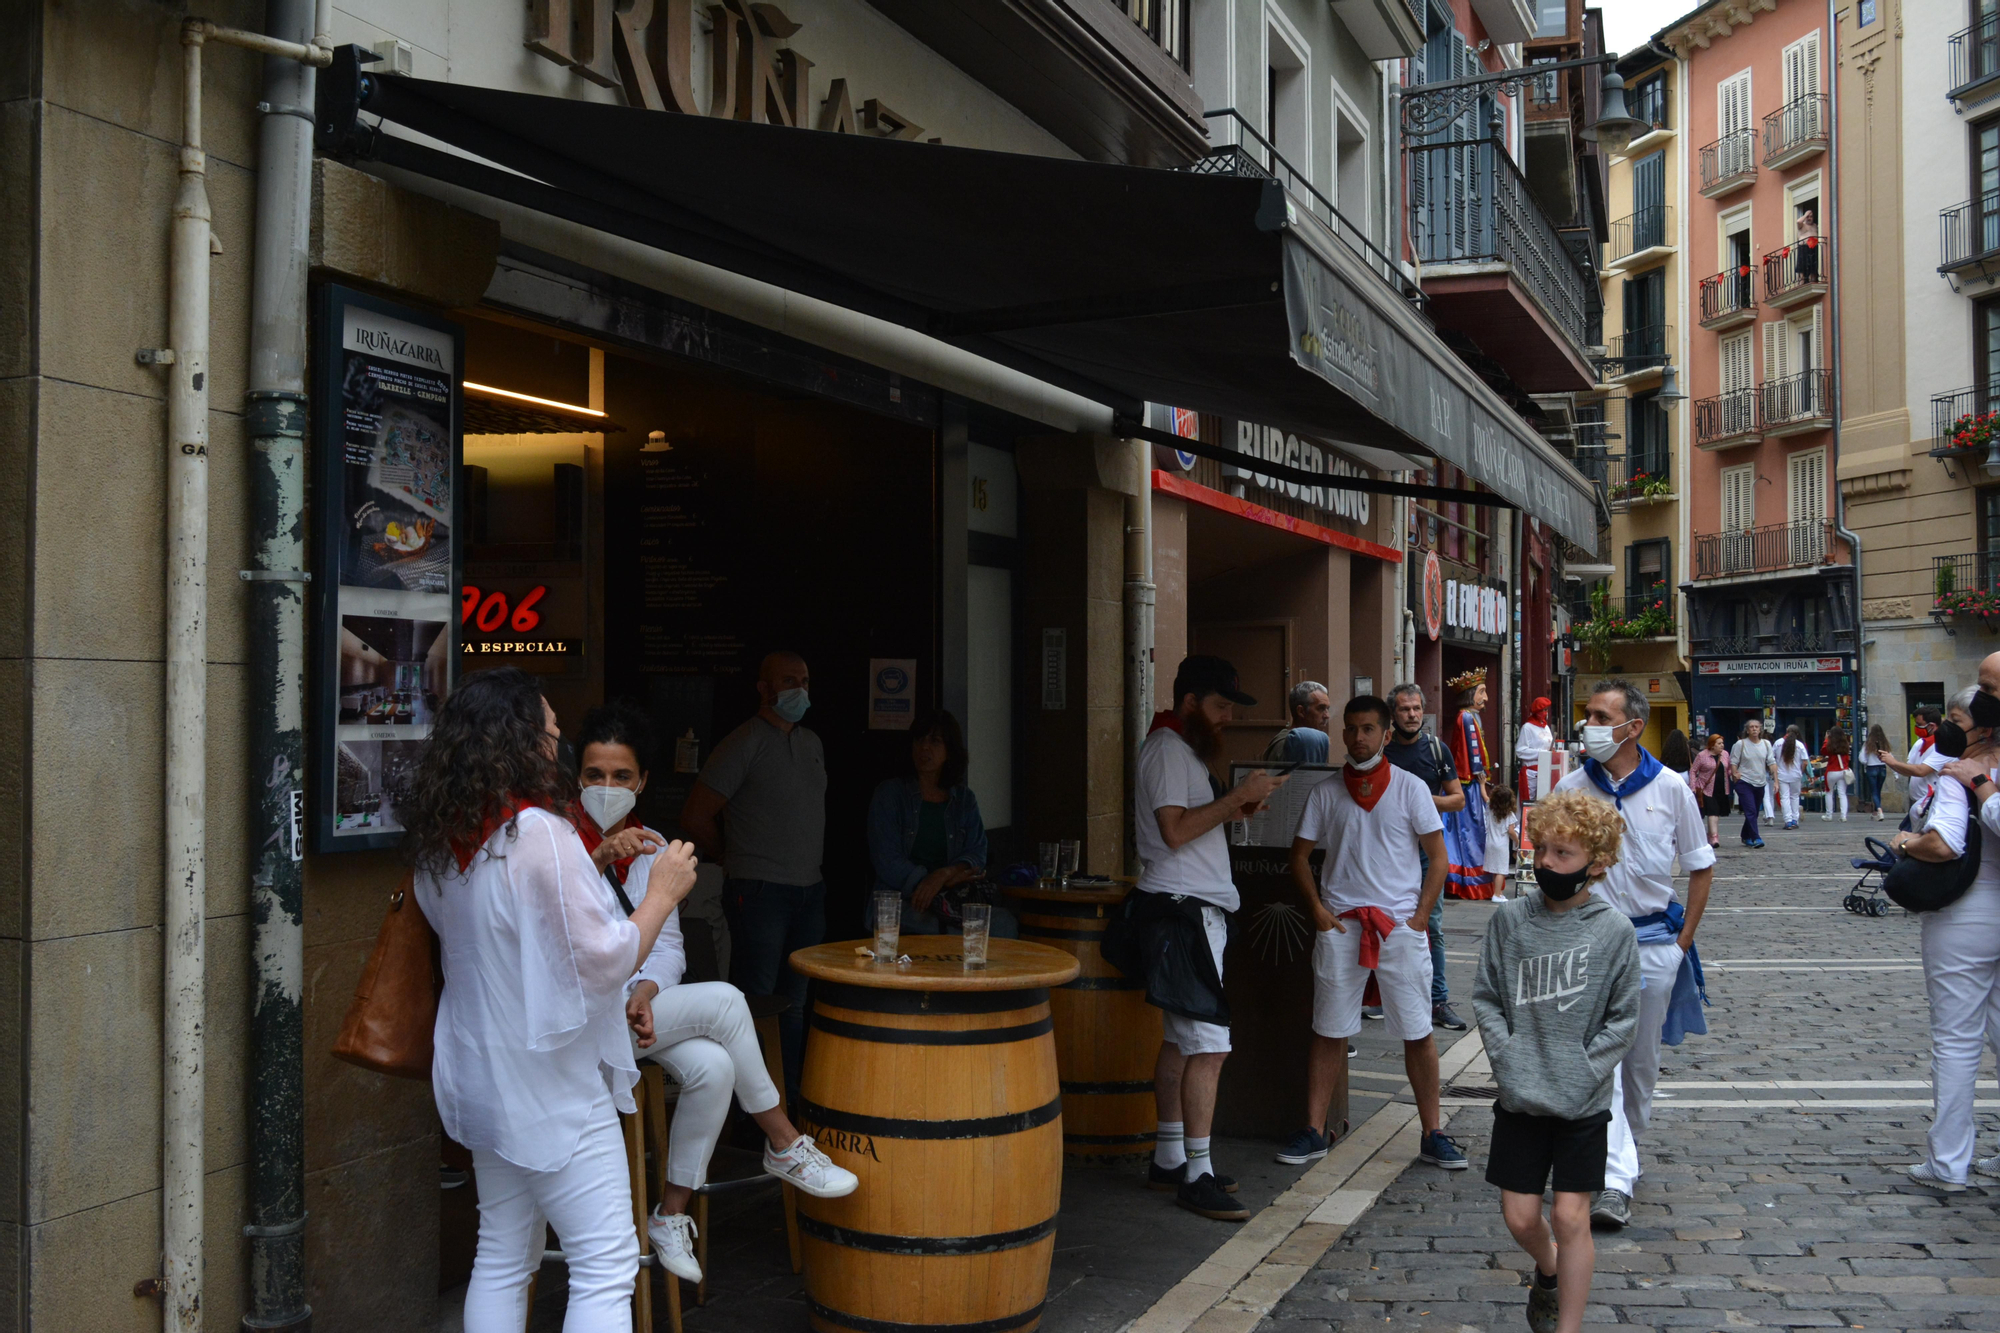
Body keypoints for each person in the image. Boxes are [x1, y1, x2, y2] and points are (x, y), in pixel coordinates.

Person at [401, 668, 692, 1331]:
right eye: (552, 733)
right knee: (607, 1264)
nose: (558, 748)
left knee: (502, 1254)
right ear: (518, 739)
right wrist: (662, 893)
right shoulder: (537, 832)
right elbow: (607, 957)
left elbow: (515, 931)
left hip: (480, 1071)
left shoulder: (442, 843)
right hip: (552, 1083)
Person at [573, 702, 857, 1282]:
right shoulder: (557, 847)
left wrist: (647, 991)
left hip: (634, 1016)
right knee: (727, 1000)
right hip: (579, 1026)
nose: (607, 788)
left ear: (643, 781)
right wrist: (592, 860)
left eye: (621, 776)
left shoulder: (653, 851)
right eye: (594, 775)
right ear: (575, 778)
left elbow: (668, 948)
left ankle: (669, 1213)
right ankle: (783, 1140)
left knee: (713, 1068)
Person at [1472, 790, 1641, 1333]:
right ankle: (1547, 1268)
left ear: (1597, 864)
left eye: (1562, 854)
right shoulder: (1511, 923)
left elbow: (1623, 1020)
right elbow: (1488, 997)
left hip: (1582, 1101)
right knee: (1520, 1217)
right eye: (1541, 848)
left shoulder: (1614, 931)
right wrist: (1507, 1058)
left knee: (1571, 1216)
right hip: (1522, 1093)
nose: (1546, 862)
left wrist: (1587, 1070)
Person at [1553, 680, 1715, 1230]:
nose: (1589, 725)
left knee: (1639, 1066)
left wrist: (1683, 941)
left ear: (1631, 726)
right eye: (1588, 715)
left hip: (1653, 945)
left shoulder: (1672, 788)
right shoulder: (1573, 785)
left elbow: (1700, 864)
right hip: (1588, 942)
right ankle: (1614, 1178)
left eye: (1600, 716)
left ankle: (1627, 1153)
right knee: (1602, 1062)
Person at [1133, 656, 1287, 1221]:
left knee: (1181, 1039)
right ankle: (1195, 1172)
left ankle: (1170, 1156)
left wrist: (1237, 805)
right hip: (1185, 909)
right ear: (1192, 701)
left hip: (1183, 906)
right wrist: (1235, 798)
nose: (1226, 718)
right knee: (1210, 1044)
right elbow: (1175, 830)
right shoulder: (1171, 751)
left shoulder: (1175, 749)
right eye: (1220, 706)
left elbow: (1183, 825)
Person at [1283, 695, 1465, 1172]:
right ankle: (1313, 1130)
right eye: (1352, 728)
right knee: (1328, 1030)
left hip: (1399, 927)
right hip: (1341, 925)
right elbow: (1299, 857)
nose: (1359, 737)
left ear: (1386, 735)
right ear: (1343, 734)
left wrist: (1420, 917)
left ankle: (1433, 1131)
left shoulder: (1410, 789)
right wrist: (1320, 913)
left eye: (1368, 729)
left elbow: (1439, 859)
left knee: (1418, 1030)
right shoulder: (1325, 792)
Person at [681, 650, 825, 1099]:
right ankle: (750, 1110)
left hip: (810, 890)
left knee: (797, 1004)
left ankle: (791, 1098)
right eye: (788, 680)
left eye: (804, 679)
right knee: (756, 1001)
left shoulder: (812, 742)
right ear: (764, 688)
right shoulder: (743, 741)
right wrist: (730, 855)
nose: (798, 688)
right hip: (759, 891)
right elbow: (696, 815)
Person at [1901, 674, 2000, 1190]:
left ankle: (1948, 1162)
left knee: (1957, 1040)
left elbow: (1945, 844)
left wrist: (1904, 844)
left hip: (1966, 912)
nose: (1946, 731)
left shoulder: (1962, 774)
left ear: (1982, 726)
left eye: (1957, 722)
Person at [868, 707, 1016, 938]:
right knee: (942, 929)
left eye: (935, 741)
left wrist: (943, 876)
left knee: (1003, 923)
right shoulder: (890, 795)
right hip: (906, 901)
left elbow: (978, 853)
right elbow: (887, 860)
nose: (924, 747)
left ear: (950, 750)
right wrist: (926, 883)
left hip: (953, 897)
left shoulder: (964, 799)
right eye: (919, 739)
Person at [1384, 684, 1470, 1030]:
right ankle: (1380, 995)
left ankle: (1437, 1000)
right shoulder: (1383, 750)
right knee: (1382, 920)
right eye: (1405, 709)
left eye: (1417, 708)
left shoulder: (1436, 750)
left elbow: (1458, 799)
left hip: (1426, 852)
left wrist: (1417, 798)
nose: (1412, 715)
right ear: (1394, 714)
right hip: (1387, 851)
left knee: (1430, 924)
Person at [1442, 669, 1495, 899]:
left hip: (1469, 782)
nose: (1486, 698)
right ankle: (1468, 881)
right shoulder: (1466, 717)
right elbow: (1472, 752)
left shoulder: (1469, 715)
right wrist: (1480, 776)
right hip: (1469, 784)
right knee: (1470, 831)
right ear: (1471, 694)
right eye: (1482, 692)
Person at [1883, 709, 1942, 815]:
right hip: (1918, 803)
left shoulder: (1941, 747)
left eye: (1920, 725)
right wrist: (1889, 761)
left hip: (1931, 803)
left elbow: (1921, 771)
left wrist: (1893, 762)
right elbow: (1908, 770)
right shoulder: (1920, 743)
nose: (1917, 728)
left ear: (1932, 726)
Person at [1729, 719, 1773, 847]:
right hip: (1744, 781)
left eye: (1756, 727)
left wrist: (1775, 780)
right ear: (1747, 730)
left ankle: (1745, 835)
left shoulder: (1766, 744)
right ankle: (1756, 838)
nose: (1754, 729)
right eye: (1751, 727)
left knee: (1754, 811)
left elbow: (1771, 762)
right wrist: (1735, 774)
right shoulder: (1740, 744)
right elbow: (1733, 762)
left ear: (1760, 730)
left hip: (1760, 781)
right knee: (1751, 810)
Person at [1265, 680, 1332, 764]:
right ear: (1301, 711)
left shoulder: (1295, 741)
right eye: (1321, 708)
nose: (1327, 715)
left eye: (1327, 709)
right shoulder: (1292, 744)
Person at [1687, 733, 1732, 849]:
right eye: (1719, 743)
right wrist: (1693, 787)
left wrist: (1734, 774)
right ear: (1712, 745)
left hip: (1721, 788)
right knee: (1712, 812)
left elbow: (1729, 769)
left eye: (1722, 743)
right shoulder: (1702, 756)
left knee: (1716, 813)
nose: (1722, 745)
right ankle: (1714, 837)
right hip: (1706, 789)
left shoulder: (1725, 755)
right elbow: (1693, 771)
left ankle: (1710, 836)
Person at [1484, 786, 1520, 901]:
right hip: (1501, 846)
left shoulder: (1490, 809)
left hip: (1489, 843)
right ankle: (1497, 895)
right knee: (1501, 871)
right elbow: (1511, 831)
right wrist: (1517, 840)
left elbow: (1485, 797)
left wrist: (1481, 784)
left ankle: (1498, 892)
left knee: (1495, 869)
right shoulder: (1509, 815)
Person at [1518, 696, 1555, 801]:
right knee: (1529, 801)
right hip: (1531, 773)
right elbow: (1520, 751)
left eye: (1546, 710)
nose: (1545, 713)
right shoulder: (1527, 727)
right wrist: (1542, 753)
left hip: (1546, 770)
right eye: (1543, 710)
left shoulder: (1546, 727)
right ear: (1537, 711)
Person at [1772, 726, 1808, 831]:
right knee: (1795, 797)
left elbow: (1771, 758)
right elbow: (1805, 761)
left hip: (1782, 774)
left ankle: (1787, 820)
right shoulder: (1800, 745)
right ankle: (1794, 820)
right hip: (1796, 775)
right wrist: (1801, 771)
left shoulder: (1778, 743)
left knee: (1785, 798)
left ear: (1786, 732)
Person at [1821, 725, 1853, 822]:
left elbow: (1823, 750)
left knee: (1829, 792)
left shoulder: (1830, 745)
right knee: (1842, 794)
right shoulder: (1845, 745)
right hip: (1843, 771)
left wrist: (1826, 739)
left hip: (1832, 771)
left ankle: (1829, 815)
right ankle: (1843, 816)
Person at [1861, 724, 1892, 820]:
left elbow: (1861, 757)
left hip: (1871, 768)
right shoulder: (1884, 743)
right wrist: (1896, 773)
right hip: (1882, 768)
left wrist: (1867, 762)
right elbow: (1891, 757)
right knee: (1878, 790)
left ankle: (1879, 810)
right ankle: (1876, 812)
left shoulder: (1868, 743)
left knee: (1874, 791)